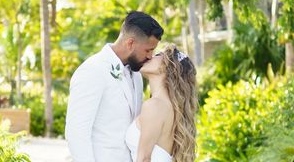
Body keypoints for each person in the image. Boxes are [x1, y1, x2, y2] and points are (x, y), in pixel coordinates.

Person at [66, 11, 164, 162]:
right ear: (130, 43)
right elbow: (77, 132)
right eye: (148, 50)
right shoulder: (92, 70)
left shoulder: (137, 74)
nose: (151, 56)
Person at [125, 44, 198, 162]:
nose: (150, 56)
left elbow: (144, 158)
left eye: (158, 55)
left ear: (168, 66)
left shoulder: (155, 105)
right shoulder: (169, 107)